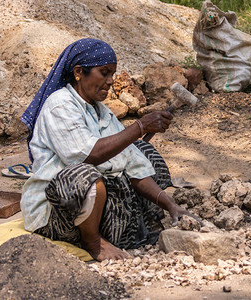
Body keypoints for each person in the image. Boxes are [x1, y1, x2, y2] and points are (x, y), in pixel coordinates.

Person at [20, 38, 199, 261]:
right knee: (84, 176)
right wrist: (140, 126)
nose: (110, 81)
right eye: (104, 73)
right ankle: (93, 243)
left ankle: (127, 230)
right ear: (78, 72)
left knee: (146, 154)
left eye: (112, 74)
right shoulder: (60, 105)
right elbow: (89, 155)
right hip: (57, 213)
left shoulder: (101, 111)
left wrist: (170, 204)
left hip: (94, 205)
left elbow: (133, 162)